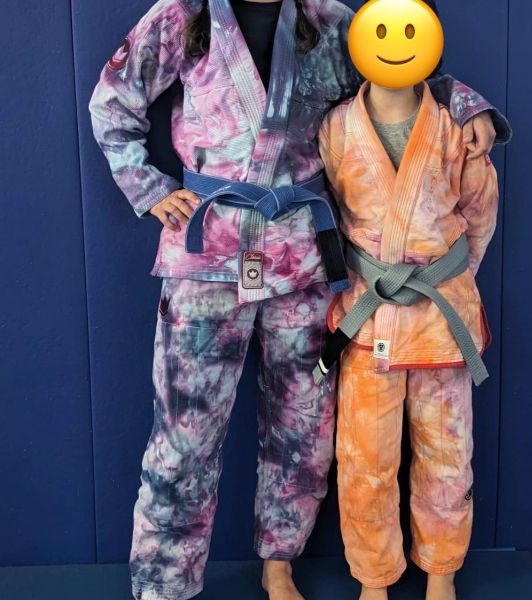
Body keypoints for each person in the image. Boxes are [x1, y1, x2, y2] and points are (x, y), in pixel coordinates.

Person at [89, 0, 509, 598]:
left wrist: (468, 105)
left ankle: (279, 562)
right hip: (208, 254)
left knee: (302, 427)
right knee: (185, 433)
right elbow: (113, 99)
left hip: (302, 258)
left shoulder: (329, 19)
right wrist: (147, 186)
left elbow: (401, 70)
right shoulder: (182, 15)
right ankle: (164, 584)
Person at [317, 1, 500, 598]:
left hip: (441, 319)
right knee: (364, 461)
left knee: (447, 454)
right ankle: (374, 577)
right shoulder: (335, 128)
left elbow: (479, 213)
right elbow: (327, 213)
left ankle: (441, 571)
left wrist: (449, 281)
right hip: (368, 318)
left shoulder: (456, 128)